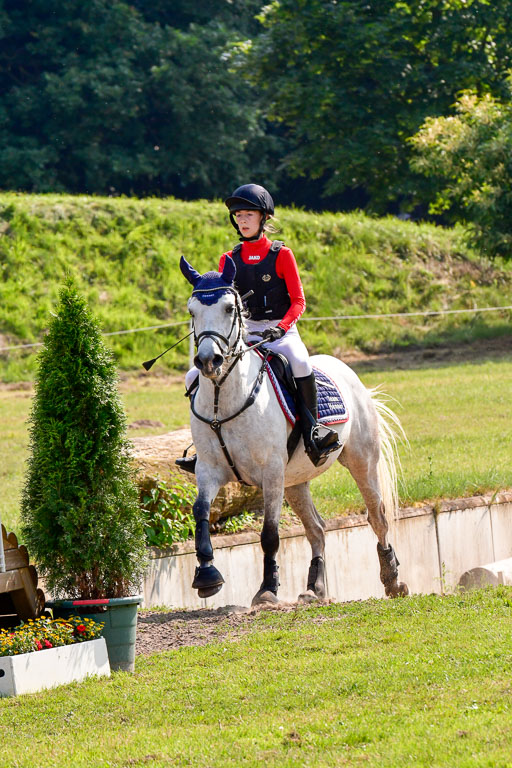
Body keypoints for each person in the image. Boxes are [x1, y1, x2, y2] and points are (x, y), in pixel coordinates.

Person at [176, 183, 342, 473]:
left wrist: (281, 328)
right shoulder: (229, 259)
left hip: (280, 332)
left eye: (248, 215)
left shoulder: (282, 254)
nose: (242, 220)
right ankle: (204, 448)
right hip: (245, 334)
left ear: (264, 218)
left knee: (301, 362)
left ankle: (313, 433)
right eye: (238, 215)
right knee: (193, 376)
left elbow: (299, 301)